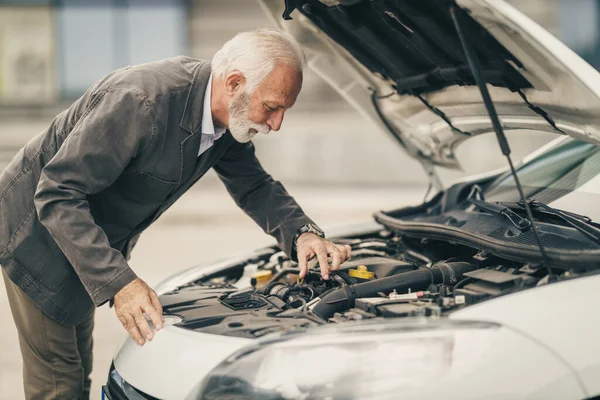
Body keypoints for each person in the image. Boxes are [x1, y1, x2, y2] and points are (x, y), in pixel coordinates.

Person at [0, 28, 352, 399]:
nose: (276, 124)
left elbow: (254, 186)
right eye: (272, 107)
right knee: (59, 382)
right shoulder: (141, 103)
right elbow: (58, 193)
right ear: (233, 83)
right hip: (36, 234)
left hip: (86, 234)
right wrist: (120, 284)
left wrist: (303, 234)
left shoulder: (227, 118)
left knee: (78, 369)